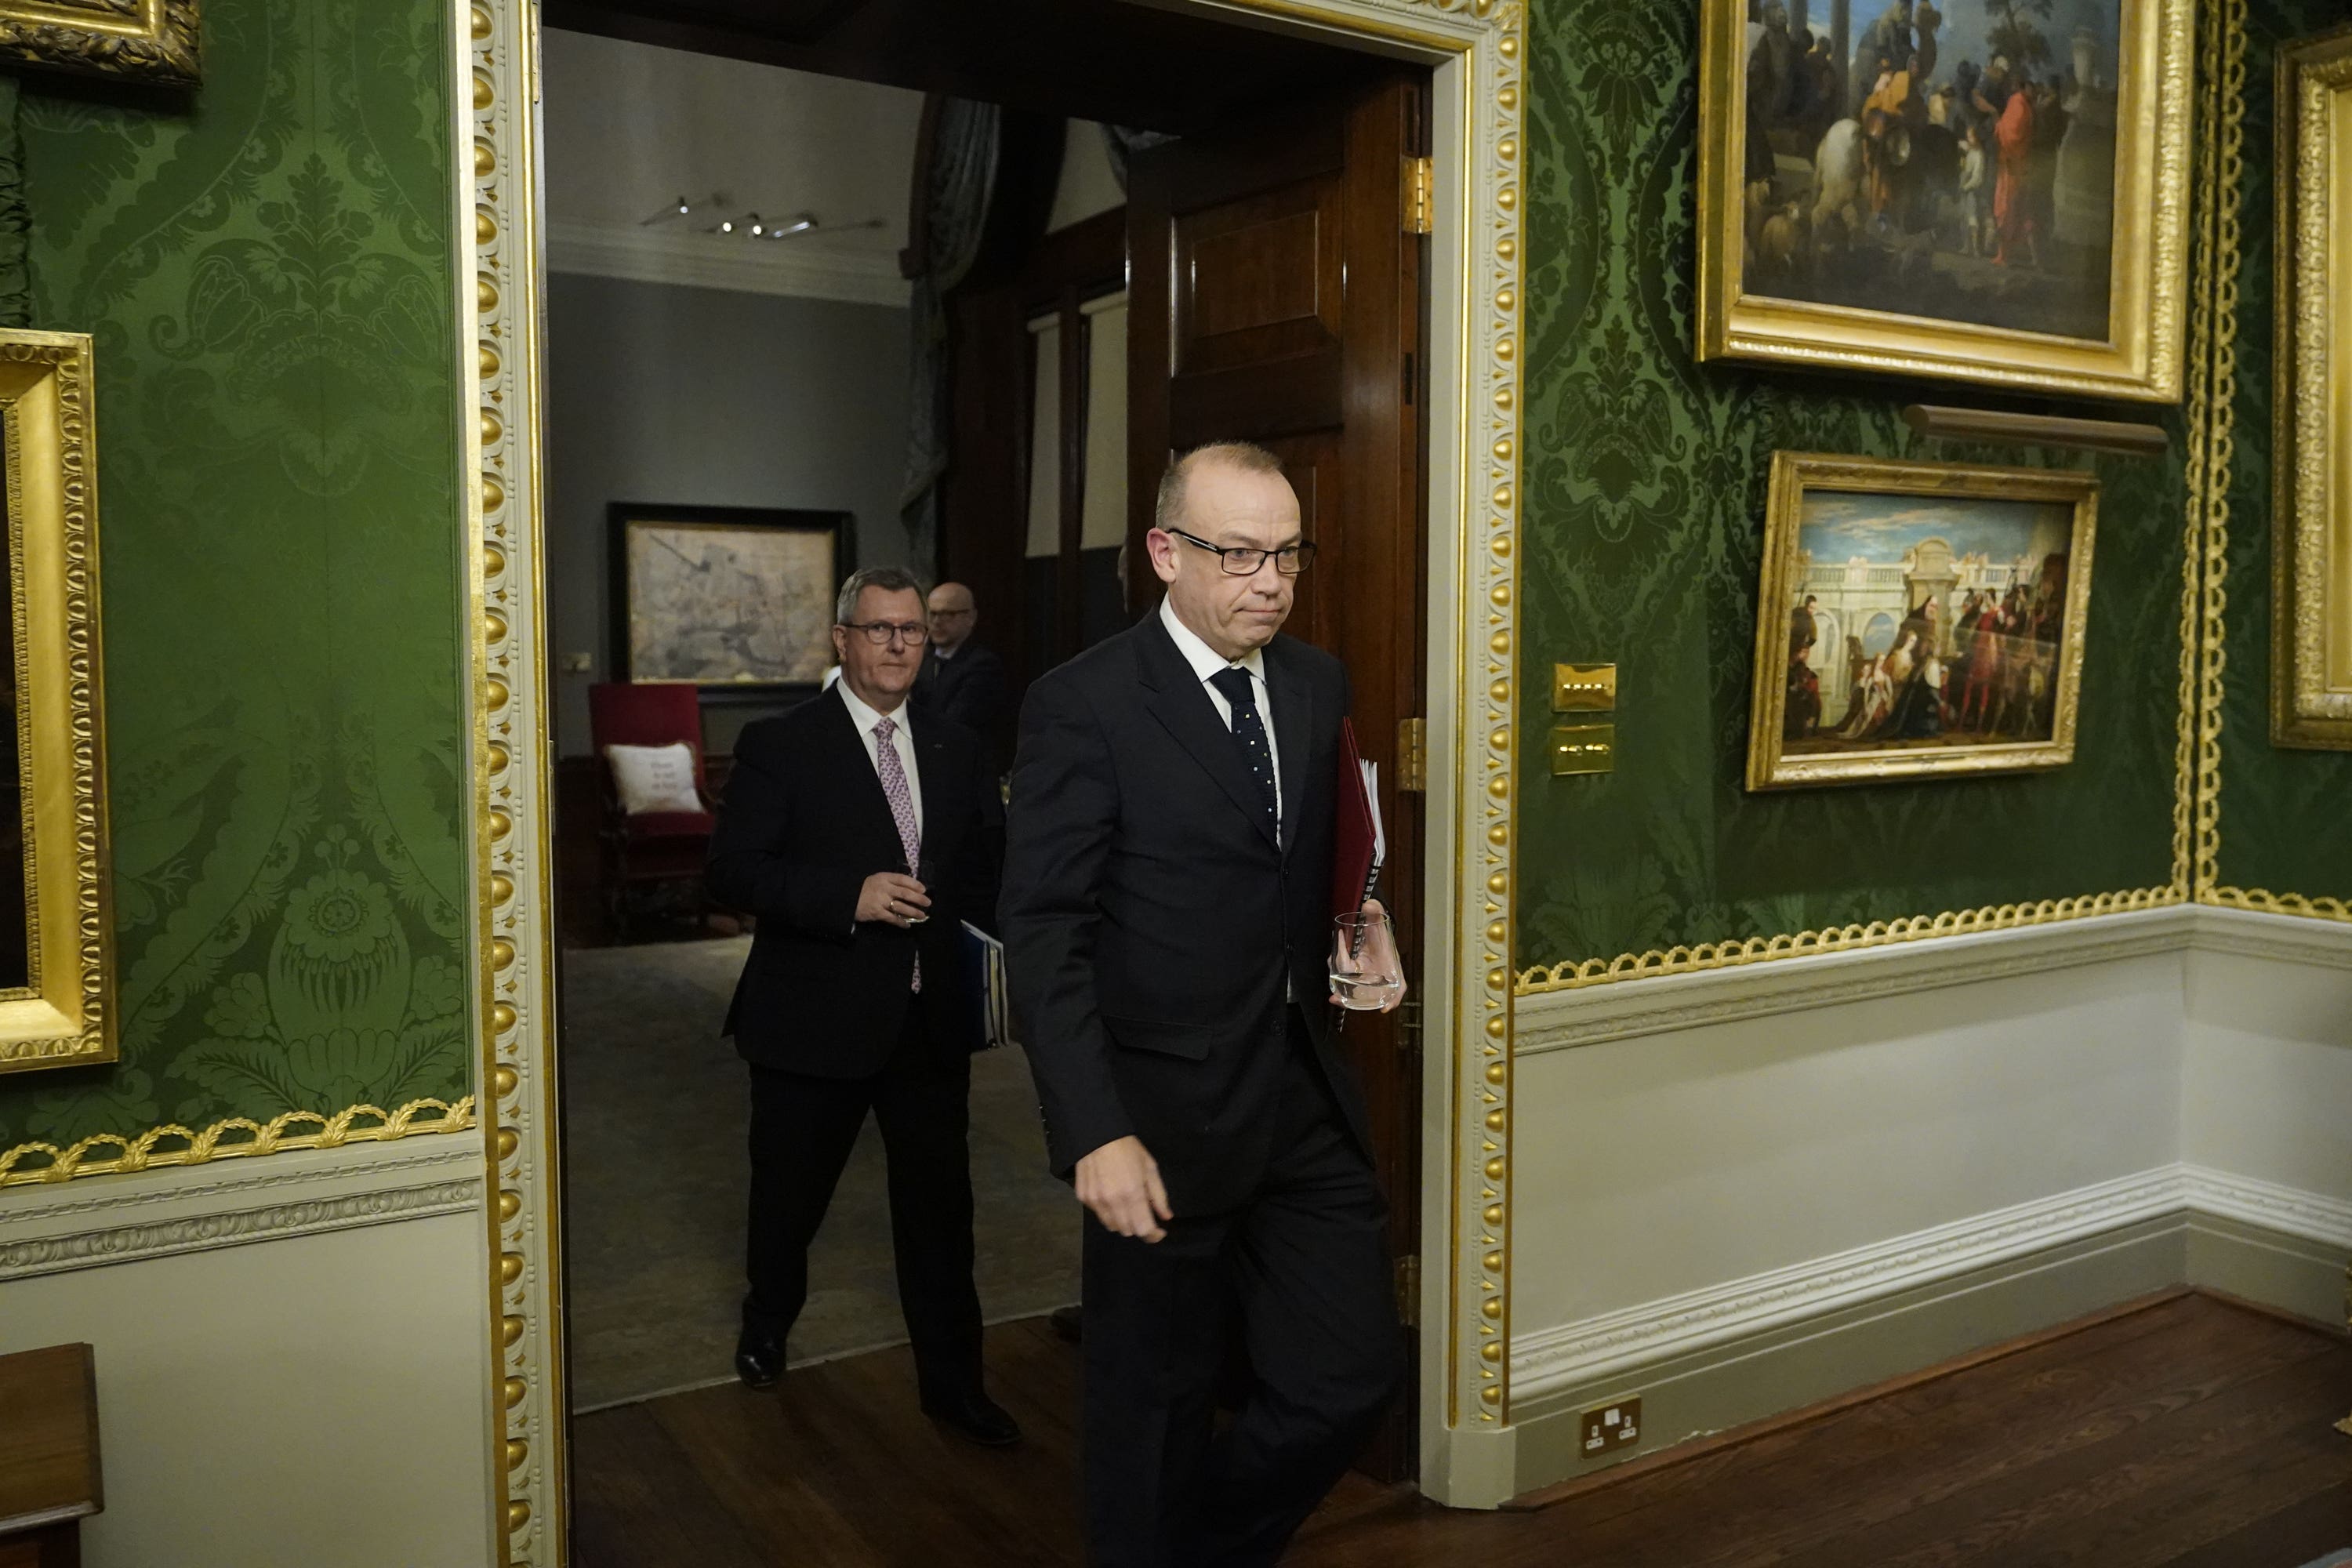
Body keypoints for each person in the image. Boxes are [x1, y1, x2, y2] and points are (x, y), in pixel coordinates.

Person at [1001, 441, 1403, 1566]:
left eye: (1287, 555)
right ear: (1165, 554)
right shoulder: (1084, 705)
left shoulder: (1318, 683)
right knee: (1153, 1410)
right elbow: (1043, 933)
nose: (1269, 582)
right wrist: (1095, 1129)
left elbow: (1308, 865)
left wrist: (1358, 932)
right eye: (1238, 555)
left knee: (1349, 1376)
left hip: (1299, 1095)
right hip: (1156, 1119)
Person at [706, 565, 1019, 1449]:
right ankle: (768, 1318)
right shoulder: (782, 742)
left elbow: (981, 875)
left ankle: (954, 1385)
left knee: (940, 1216)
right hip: (811, 1022)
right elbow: (730, 872)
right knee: (787, 1201)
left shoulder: (959, 746)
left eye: (910, 630)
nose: (894, 644)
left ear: (929, 641)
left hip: (928, 1026)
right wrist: (848, 894)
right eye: (877, 629)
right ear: (842, 639)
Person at [919, 580, 1010, 767]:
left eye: (948, 614)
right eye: (932, 614)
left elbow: (956, 723)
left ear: (970, 617)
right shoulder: (920, 660)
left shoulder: (982, 665)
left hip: (962, 765)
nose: (937, 622)